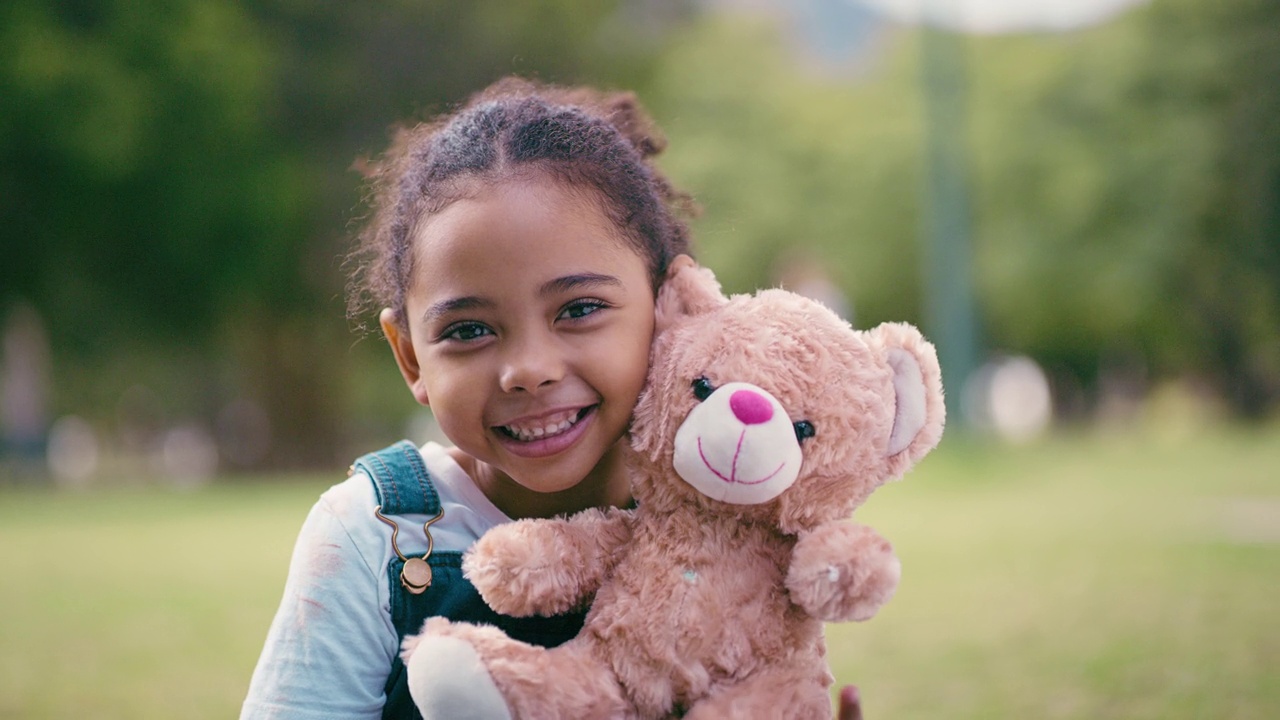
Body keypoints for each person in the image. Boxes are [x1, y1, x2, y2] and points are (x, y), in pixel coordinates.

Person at [241, 77, 863, 719]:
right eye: (468, 330)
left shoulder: (735, 513)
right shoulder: (372, 535)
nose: (528, 371)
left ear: (669, 308)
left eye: (580, 309)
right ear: (409, 356)